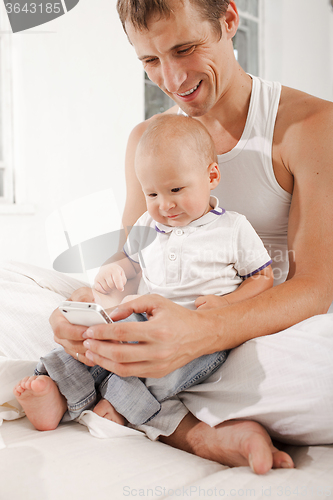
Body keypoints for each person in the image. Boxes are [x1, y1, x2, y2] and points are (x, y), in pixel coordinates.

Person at [49, 0, 333, 474]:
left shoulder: (311, 126)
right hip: (166, 325)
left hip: (270, 332)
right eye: (151, 61)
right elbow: (131, 256)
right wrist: (90, 311)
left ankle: (134, 400)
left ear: (228, 20)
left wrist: (201, 334)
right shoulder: (148, 140)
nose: (173, 79)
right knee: (15, 289)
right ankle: (195, 428)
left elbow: (316, 288)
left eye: (185, 49)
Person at [13, 114, 274, 432]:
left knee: (166, 370)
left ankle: (120, 404)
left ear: (212, 175)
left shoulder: (232, 227)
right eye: (152, 194)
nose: (164, 205)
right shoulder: (148, 226)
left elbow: (262, 277)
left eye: (175, 189)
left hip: (199, 331)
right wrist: (114, 272)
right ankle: (56, 388)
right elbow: (131, 262)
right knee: (97, 339)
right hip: (143, 315)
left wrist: (230, 303)